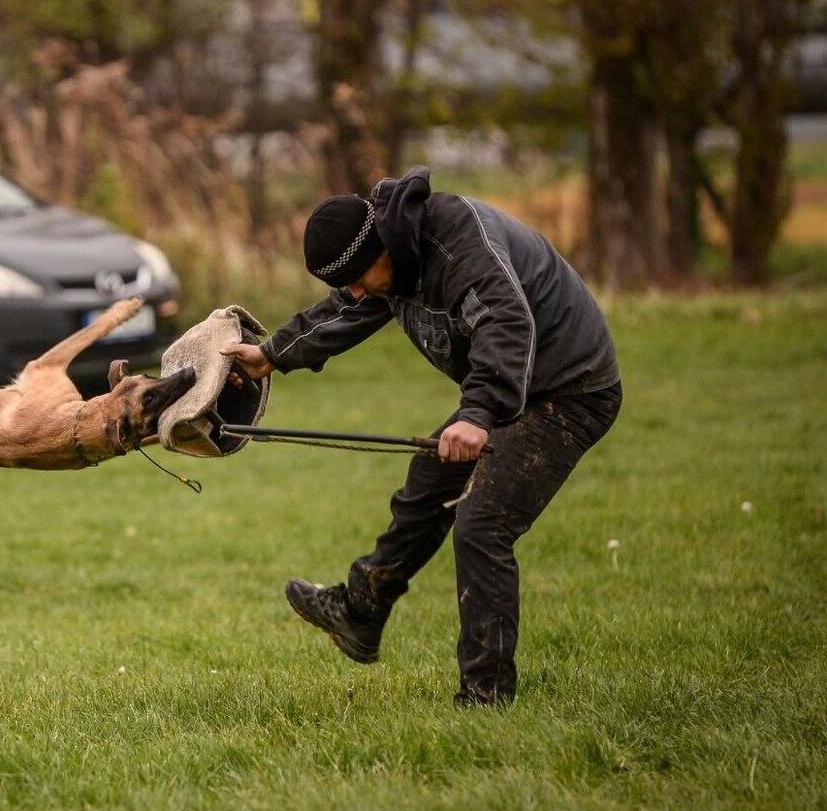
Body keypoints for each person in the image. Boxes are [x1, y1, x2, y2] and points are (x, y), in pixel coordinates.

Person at [221, 166, 621, 707]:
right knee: (428, 483)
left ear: (384, 243)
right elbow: (350, 305)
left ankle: (487, 697)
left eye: (362, 275)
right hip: (514, 391)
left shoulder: (457, 243)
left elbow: (505, 321)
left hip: (570, 390)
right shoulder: (386, 261)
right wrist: (271, 355)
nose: (360, 290)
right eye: (350, 282)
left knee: (482, 525)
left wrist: (477, 415)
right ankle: (360, 614)